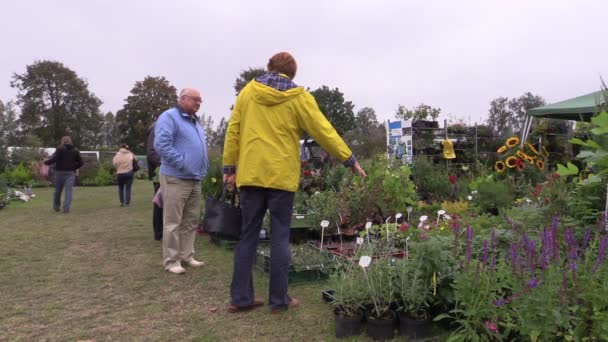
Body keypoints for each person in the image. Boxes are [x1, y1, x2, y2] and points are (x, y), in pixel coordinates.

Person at [223, 52, 366, 314]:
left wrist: (229, 167)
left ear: (269, 67)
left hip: (251, 176)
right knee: (279, 236)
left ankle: (241, 298)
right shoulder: (299, 97)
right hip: (281, 178)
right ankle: (279, 300)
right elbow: (323, 129)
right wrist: (349, 158)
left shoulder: (248, 92)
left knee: (248, 236)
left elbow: (234, 130)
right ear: (292, 74)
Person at [154, 88, 209, 274]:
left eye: (200, 100)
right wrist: (182, 164)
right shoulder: (169, 117)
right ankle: (171, 261)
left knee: (191, 220)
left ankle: (187, 256)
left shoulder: (195, 122)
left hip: (195, 179)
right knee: (172, 222)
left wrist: (203, 168)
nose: (198, 103)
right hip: (176, 177)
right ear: (183, 99)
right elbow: (162, 144)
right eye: (195, 99)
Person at [44, 136, 83, 213]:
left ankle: (56, 206)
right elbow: (81, 163)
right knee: (69, 191)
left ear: (62, 141)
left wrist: (46, 162)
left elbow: (54, 159)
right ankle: (66, 208)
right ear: (70, 141)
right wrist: (74, 167)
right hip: (70, 173)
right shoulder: (75, 150)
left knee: (58, 190)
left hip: (59, 172)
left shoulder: (59, 149)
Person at [147, 121, 163, 241]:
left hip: (161, 169)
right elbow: (151, 153)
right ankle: (159, 232)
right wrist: (166, 164)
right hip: (159, 171)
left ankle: (162, 231)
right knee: (159, 201)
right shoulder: (156, 128)